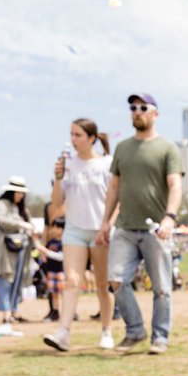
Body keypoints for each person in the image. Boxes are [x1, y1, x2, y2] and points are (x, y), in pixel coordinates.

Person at [96, 92, 182, 354]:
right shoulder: (122, 148)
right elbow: (113, 187)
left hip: (156, 228)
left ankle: (160, 337)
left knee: (162, 289)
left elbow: (175, 185)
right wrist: (105, 223)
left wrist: (169, 218)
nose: (137, 111)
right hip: (124, 227)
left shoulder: (167, 148)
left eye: (143, 107)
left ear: (155, 113)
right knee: (116, 280)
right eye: (132, 107)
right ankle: (134, 330)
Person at [44, 118, 116, 352]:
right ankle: (63, 332)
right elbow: (56, 203)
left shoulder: (106, 164)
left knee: (103, 285)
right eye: (71, 135)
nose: (73, 140)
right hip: (74, 230)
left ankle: (106, 331)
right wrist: (57, 177)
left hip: (100, 230)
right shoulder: (68, 165)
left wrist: (107, 225)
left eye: (78, 135)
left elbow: (117, 200)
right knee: (73, 281)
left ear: (92, 138)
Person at [0, 176, 35, 325]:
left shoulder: (23, 209)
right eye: (17, 192)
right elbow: (2, 220)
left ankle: (14, 311)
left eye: (22, 193)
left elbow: (31, 225)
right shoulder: (2, 204)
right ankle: (6, 313)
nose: (20, 195)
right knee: (6, 278)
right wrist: (20, 224)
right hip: (5, 248)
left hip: (21, 248)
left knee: (18, 280)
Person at [35, 217, 66, 321]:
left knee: (64, 294)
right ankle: (55, 312)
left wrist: (44, 250)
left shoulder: (64, 243)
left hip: (61, 271)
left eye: (56, 227)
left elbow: (61, 257)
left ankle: (68, 313)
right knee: (53, 294)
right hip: (51, 271)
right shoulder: (51, 242)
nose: (53, 230)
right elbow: (44, 254)